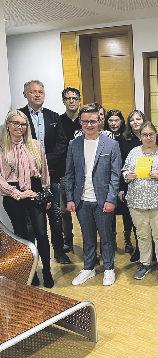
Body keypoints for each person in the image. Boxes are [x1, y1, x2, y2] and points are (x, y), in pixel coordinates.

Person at [65, 103, 122, 286]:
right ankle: (88, 268)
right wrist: (70, 198)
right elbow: (69, 173)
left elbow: (115, 175)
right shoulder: (74, 144)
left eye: (93, 121)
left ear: (100, 121)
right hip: (81, 200)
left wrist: (111, 199)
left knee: (106, 237)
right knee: (87, 237)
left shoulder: (111, 144)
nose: (89, 125)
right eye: (85, 122)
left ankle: (109, 269)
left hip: (103, 200)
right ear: (80, 122)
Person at [19, 80, 71, 265]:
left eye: (40, 91)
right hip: (28, 179)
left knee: (55, 215)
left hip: (52, 174)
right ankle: (32, 256)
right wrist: (33, 163)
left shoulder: (54, 117)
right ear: (26, 94)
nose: (37, 95)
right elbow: (15, 145)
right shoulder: (19, 116)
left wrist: (45, 160)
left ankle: (59, 251)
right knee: (31, 219)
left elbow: (62, 143)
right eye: (33, 92)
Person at [0, 110, 54, 288]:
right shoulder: (1, 147)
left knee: (41, 234)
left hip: (35, 191)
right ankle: (31, 272)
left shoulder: (35, 145)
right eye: (15, 123)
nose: (19, 127)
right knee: (22, 236)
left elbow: (44, 171)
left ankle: (46, 271)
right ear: (8, 124)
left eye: (23, 124)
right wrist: (17, 193)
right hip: (12, 193)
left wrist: (46, 194)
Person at [123, 122, 158, 282]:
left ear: (155, 134)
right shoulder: (133, 152)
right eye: (145, 135)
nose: (148, 137)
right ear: (141, 136)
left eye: (151, 134)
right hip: (137, 202)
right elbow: (124, 170)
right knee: (142, 234)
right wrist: (127, 175)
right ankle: (144, 263)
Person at [119, 110, 158, 262]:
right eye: (132, 120)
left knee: (157, 229)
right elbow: (122, 167)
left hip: (157, 195)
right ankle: (141, 253)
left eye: (139, 119)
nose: (135, 122)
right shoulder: (126, 142)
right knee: (140, 227)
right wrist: (124, 180)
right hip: (135, 191)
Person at [103, 109, 133, 253]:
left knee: (126, 211)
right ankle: (112, 241)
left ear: (121, 122)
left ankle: (127, 239)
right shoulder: (102, 137)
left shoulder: (127, 138)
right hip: (107, 181)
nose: (114, 123)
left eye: (116, 120)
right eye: (110, 120)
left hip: (124, 180)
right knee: (110, 211)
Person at [59, 87, 82, 253]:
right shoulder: (58, 121)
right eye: (68, 98)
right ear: (64, 101)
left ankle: (89, 239)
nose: (71, 101)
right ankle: (68, 238)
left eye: (74, 98)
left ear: (79, 101)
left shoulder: (86, 120)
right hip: (64, 172)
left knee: (84, 209)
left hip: (83, 172)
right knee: (63, 210)